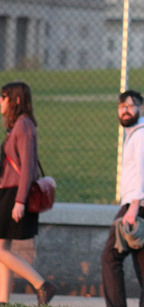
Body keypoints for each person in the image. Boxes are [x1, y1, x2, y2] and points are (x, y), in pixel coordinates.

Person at [101, 90, 144, 307]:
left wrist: (133, 208)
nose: (125, 110)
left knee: (110, 258)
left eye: (130, 106)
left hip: (140, 206)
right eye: (121, 107)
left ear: (141, 108)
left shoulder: (143, 135)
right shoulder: (137, 134)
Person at [0, 81, 56, 306]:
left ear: (16, 100)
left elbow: (28, 168)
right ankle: (3, 300)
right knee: (3, 249)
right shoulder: (17, 126)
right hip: (8, 192)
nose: (0, 102)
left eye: (3, 97)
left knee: (0, 249)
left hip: (14, 194)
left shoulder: (24, 126)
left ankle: (42, 285)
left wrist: (20, 200)